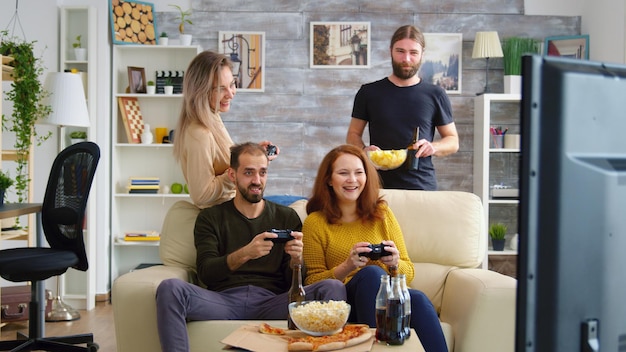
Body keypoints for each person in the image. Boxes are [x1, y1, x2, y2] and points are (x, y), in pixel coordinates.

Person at [156, 142, 346, 352]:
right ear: (232, 174)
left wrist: (296, 262)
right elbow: (206, 272)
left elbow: (292, 284)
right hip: (223, 301)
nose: (257, 180)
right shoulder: (210, 218)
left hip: (273, 301)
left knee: (333, 287)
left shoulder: (286, 217)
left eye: (262, 172)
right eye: (248, 173)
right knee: (170, 288)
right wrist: (245, 254)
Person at [302, 144, 448, 352]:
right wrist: (347, 266)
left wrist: (394, 263)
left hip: (386, 300)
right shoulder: (315, 222)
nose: (352, 180)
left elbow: (409, 271)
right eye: (343, 173)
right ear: (329, 180)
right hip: (346, 304)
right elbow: (312, 282)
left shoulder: (382, 213)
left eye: (359, 173)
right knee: (371, 273)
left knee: (418, 299)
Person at [347, 24, 459, 191]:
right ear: (390, 50)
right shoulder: (368, 92)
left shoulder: (436, 94)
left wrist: (433, 147)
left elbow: (453, 141)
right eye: (400, 51)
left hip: (421, 186)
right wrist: (363, 150)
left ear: (422, 55)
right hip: (377, 187)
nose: (406, 59)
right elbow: (353, 134)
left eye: (413, 52)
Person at [173, 51, 278, 208]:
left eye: (232, 84)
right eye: (221, 89)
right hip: (224, 218)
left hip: (236, 207)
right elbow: (201, 195)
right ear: (201, 91)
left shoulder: (212, 117)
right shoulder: (200, 133)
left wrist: (254, 154)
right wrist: (238, 172)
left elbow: (224, 163)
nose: (231, 94)